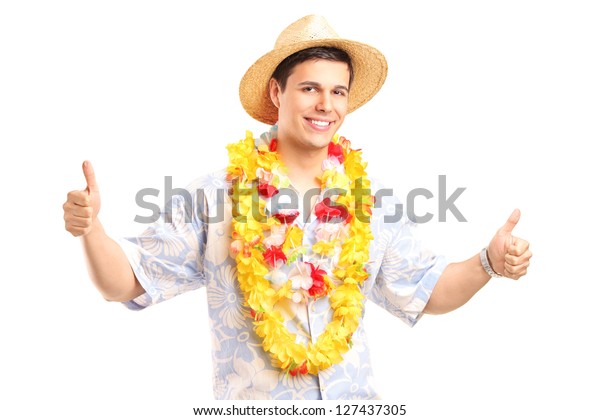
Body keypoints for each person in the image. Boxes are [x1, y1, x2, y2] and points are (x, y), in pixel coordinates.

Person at [63, 15, 532, 400]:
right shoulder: (214, 196)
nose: (325, 105)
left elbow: (428, 290)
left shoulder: (374, 201)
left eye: (338, 92)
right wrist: (92, 229)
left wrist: (488, 262)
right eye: (309, 88)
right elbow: (125, 282)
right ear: (276, 93)